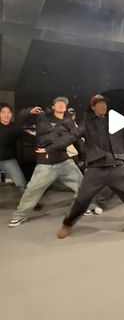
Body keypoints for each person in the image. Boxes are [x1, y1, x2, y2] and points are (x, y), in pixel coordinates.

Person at [57, 94, 124, 239]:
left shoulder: (115, 120)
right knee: (82, 199)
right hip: (95, 168)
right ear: (93, 107)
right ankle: (67, 224)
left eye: (104, 103)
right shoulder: (88, 123)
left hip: (116, 166)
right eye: (98, 104)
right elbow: (72, 135)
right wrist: (52, 147)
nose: (102, 106)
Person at [8, 97, 84, 227]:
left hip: (64, 160)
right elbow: (19, 120)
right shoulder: (42, 117)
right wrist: (28, 112)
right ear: (53, 106)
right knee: (32, 190)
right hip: (46, 162)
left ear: (66, 108)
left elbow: (77, 140)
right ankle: (19, 215)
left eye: (63, 104)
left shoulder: (68, 122)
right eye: (58, 103)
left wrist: (83, 157)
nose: (61, 105)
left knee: (83, 185)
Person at [0, 103, 40, 192]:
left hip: (8, 160)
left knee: (20, 183)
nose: (6, 115)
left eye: (8, 112)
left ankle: (29, 203)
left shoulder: (14, 127)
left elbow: (21, 119)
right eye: (3, 112)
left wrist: (29, 111)